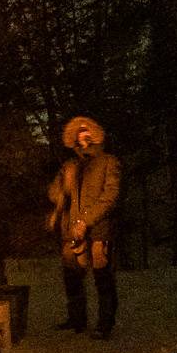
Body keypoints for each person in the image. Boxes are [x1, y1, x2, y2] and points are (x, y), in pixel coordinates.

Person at [47, 115, 121, 340]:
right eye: (79, 133)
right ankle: (77, 319)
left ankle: (104, 324)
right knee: (72, 276)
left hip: (98, 228)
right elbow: (54, 194)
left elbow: (110, 196)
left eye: (87, 131)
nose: (83, 135)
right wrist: (62, 187)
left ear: (95, 134)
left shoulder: (108, 162)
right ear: (74, 138)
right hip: (71, 230)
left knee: (102, 277)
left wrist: (85, 221)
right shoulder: (71, 165)